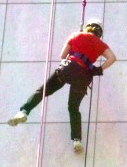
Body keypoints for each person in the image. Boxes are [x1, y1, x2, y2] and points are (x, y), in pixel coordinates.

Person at [7, 18, 116, 153]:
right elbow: (112, 58)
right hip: (83, 77)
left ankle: (23, 111)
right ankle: (77, 140)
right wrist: (99, 69)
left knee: (43, 91)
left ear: (87, 27)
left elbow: (63, 55)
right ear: (100, 32)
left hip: (68, 69)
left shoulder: (76, 35)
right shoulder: (101, 44)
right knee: (73, 108)